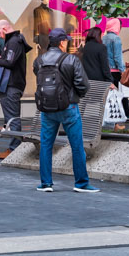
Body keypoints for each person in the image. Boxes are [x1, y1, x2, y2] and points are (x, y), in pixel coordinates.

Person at [34, 27, 98, 193]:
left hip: (47, 108)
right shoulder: (71, 59)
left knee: (46, 145)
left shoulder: (39, 61)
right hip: (68, 106)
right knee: (76, 146)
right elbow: (83, 84)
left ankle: (46, 183)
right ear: (62, 42)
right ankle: (81, 183)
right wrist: (77, 95)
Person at [0, 19, 33, 160]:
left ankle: (15, 149)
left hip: (12, 85)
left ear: (4, 28)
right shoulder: (16, 41)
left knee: (12, 118)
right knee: (12, 118)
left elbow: (9, 62)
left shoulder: (13, 42)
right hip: (13, 84)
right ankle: (14, 148)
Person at [103, 19, 129, 121]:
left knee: (110, 94)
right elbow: (117, 57)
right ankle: (126, 114)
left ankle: (111, 115)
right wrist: (123, 71)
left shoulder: (103, 38)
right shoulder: (116, 38)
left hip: (106, 70)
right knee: (122, 93)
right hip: (115, 71)